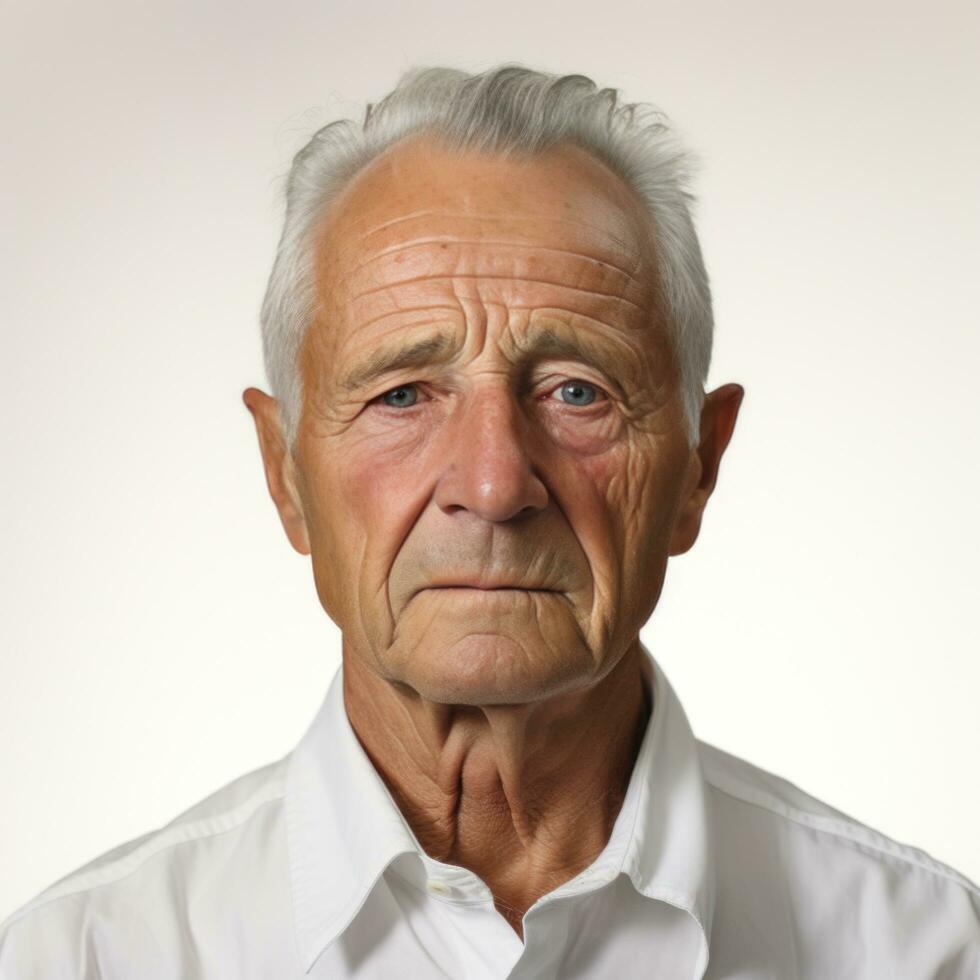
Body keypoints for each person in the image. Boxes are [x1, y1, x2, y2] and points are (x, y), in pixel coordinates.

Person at [1, 64, 977, 980]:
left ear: (698, 464)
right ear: (283, 470)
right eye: (400, 395)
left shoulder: (924, 949)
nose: (492, 481)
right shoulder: (81, 957)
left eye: (574, 390)